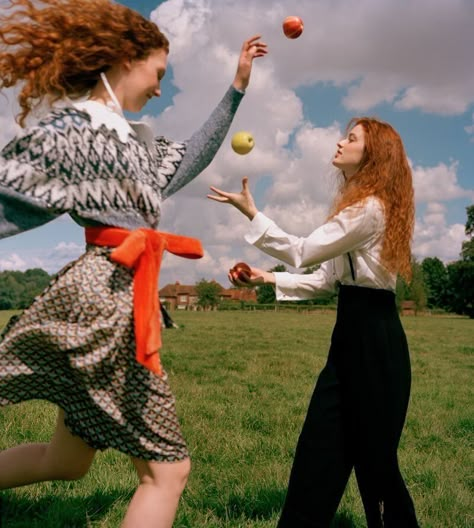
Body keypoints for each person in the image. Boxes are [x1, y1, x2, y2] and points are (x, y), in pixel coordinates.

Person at [0, 0, 267, 526]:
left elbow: (192, 155)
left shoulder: (133, 141)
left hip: (114, 299)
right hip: (107, 306)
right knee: (168, 473)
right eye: (158, 72)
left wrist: (236, 87)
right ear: (124, 58)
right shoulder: (78, 131)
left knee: (68, 462)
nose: (161, 88)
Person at [208, 117, 420, 527]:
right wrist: (268, 277)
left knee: (376, 467)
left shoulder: (371, 210)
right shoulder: (358, 206)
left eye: (351, 138)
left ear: (372, 154)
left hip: (377, 346)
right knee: (318, 450)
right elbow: (327, 281)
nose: (340, 142)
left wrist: (253, 214)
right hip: (348, 342)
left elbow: (305, 251)